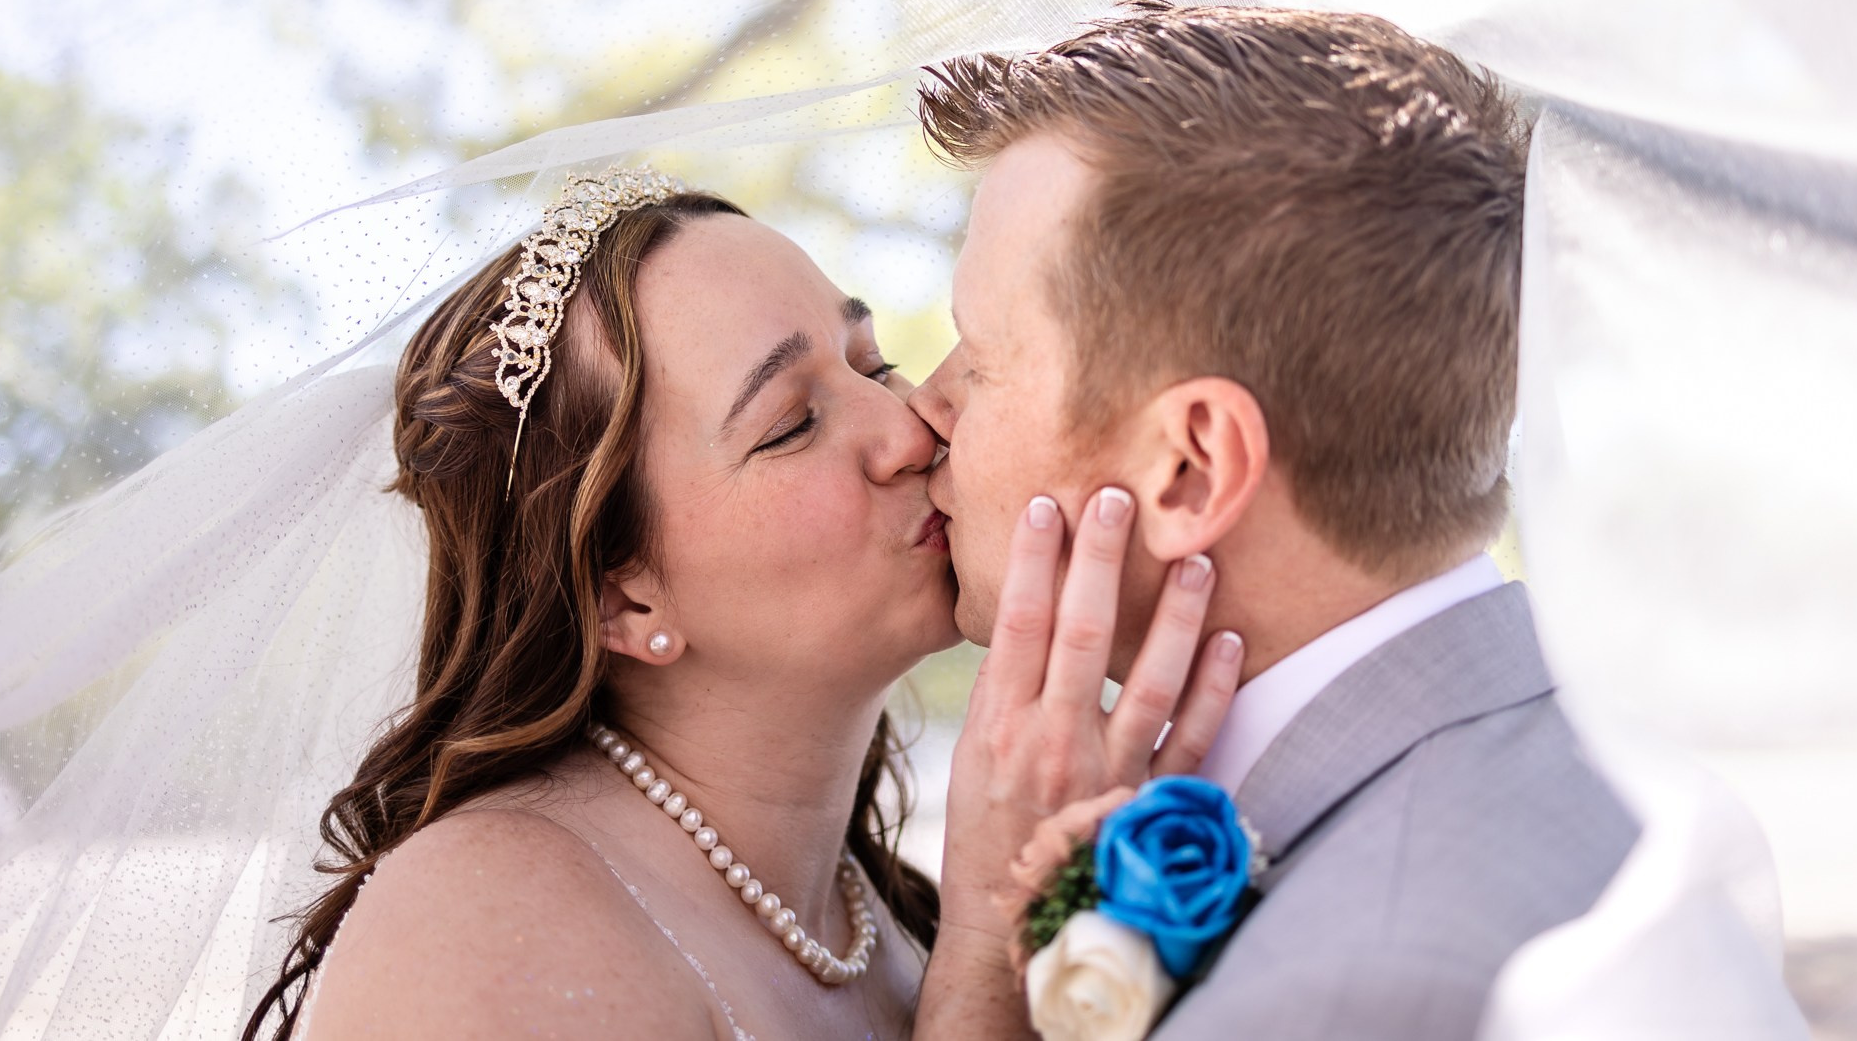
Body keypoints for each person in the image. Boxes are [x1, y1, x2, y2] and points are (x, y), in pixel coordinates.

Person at [251, 169, 1239, 1040]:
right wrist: (982, 968)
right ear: (621, 598)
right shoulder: (478, 921)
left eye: (865, 357)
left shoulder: (886, 918)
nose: (906, 426)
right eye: (792, 424)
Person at [909, 1, 1649, 1039]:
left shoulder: (1335, 994)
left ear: (1190, 468)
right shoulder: (1612, 737)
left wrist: (984, 970)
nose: (922, 408)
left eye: (976, 359)